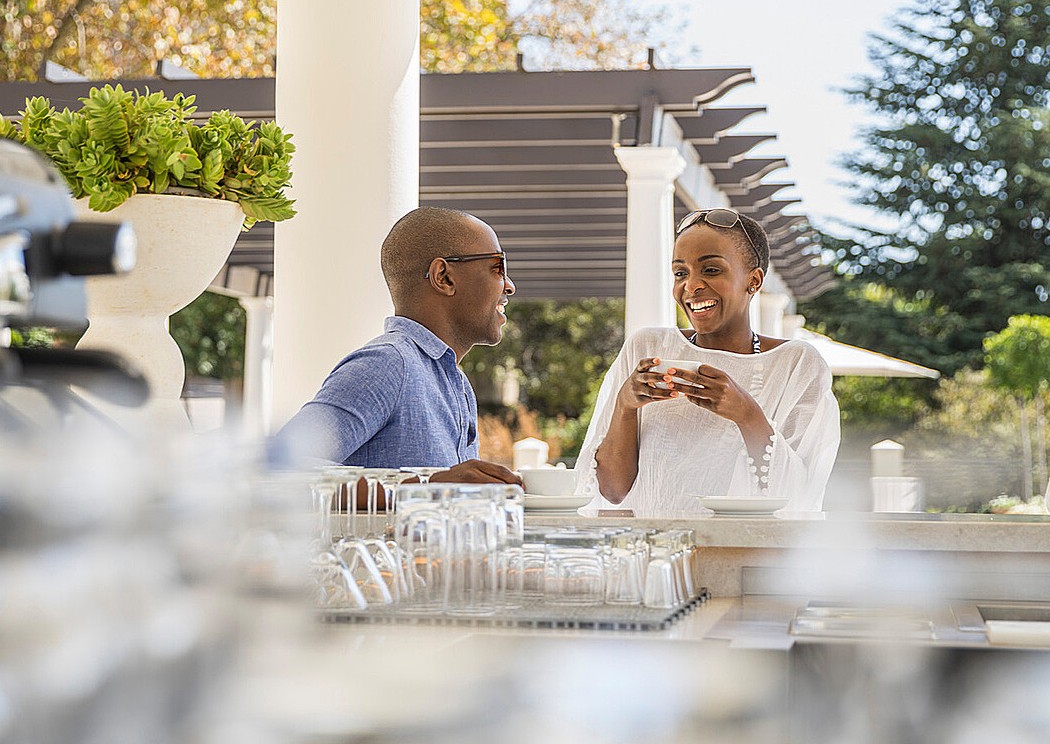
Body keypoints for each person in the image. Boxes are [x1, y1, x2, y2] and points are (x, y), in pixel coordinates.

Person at [574, 208, 839, 516]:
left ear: (753, 281)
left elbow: (797, 496)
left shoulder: (796, 364)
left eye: (711, 270)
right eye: (680, 273)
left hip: (738, 554)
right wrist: (625, 405)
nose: (691, 286)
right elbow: (612, 492)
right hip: (652, 554)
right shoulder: (648, 346)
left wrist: (748, 414)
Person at [274, 206, 520, 486]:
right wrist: (423, 488)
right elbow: (281, 468)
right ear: (444, 277)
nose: (509, 286)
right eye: (498, 268)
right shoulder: (388, 364)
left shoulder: (457, 385)